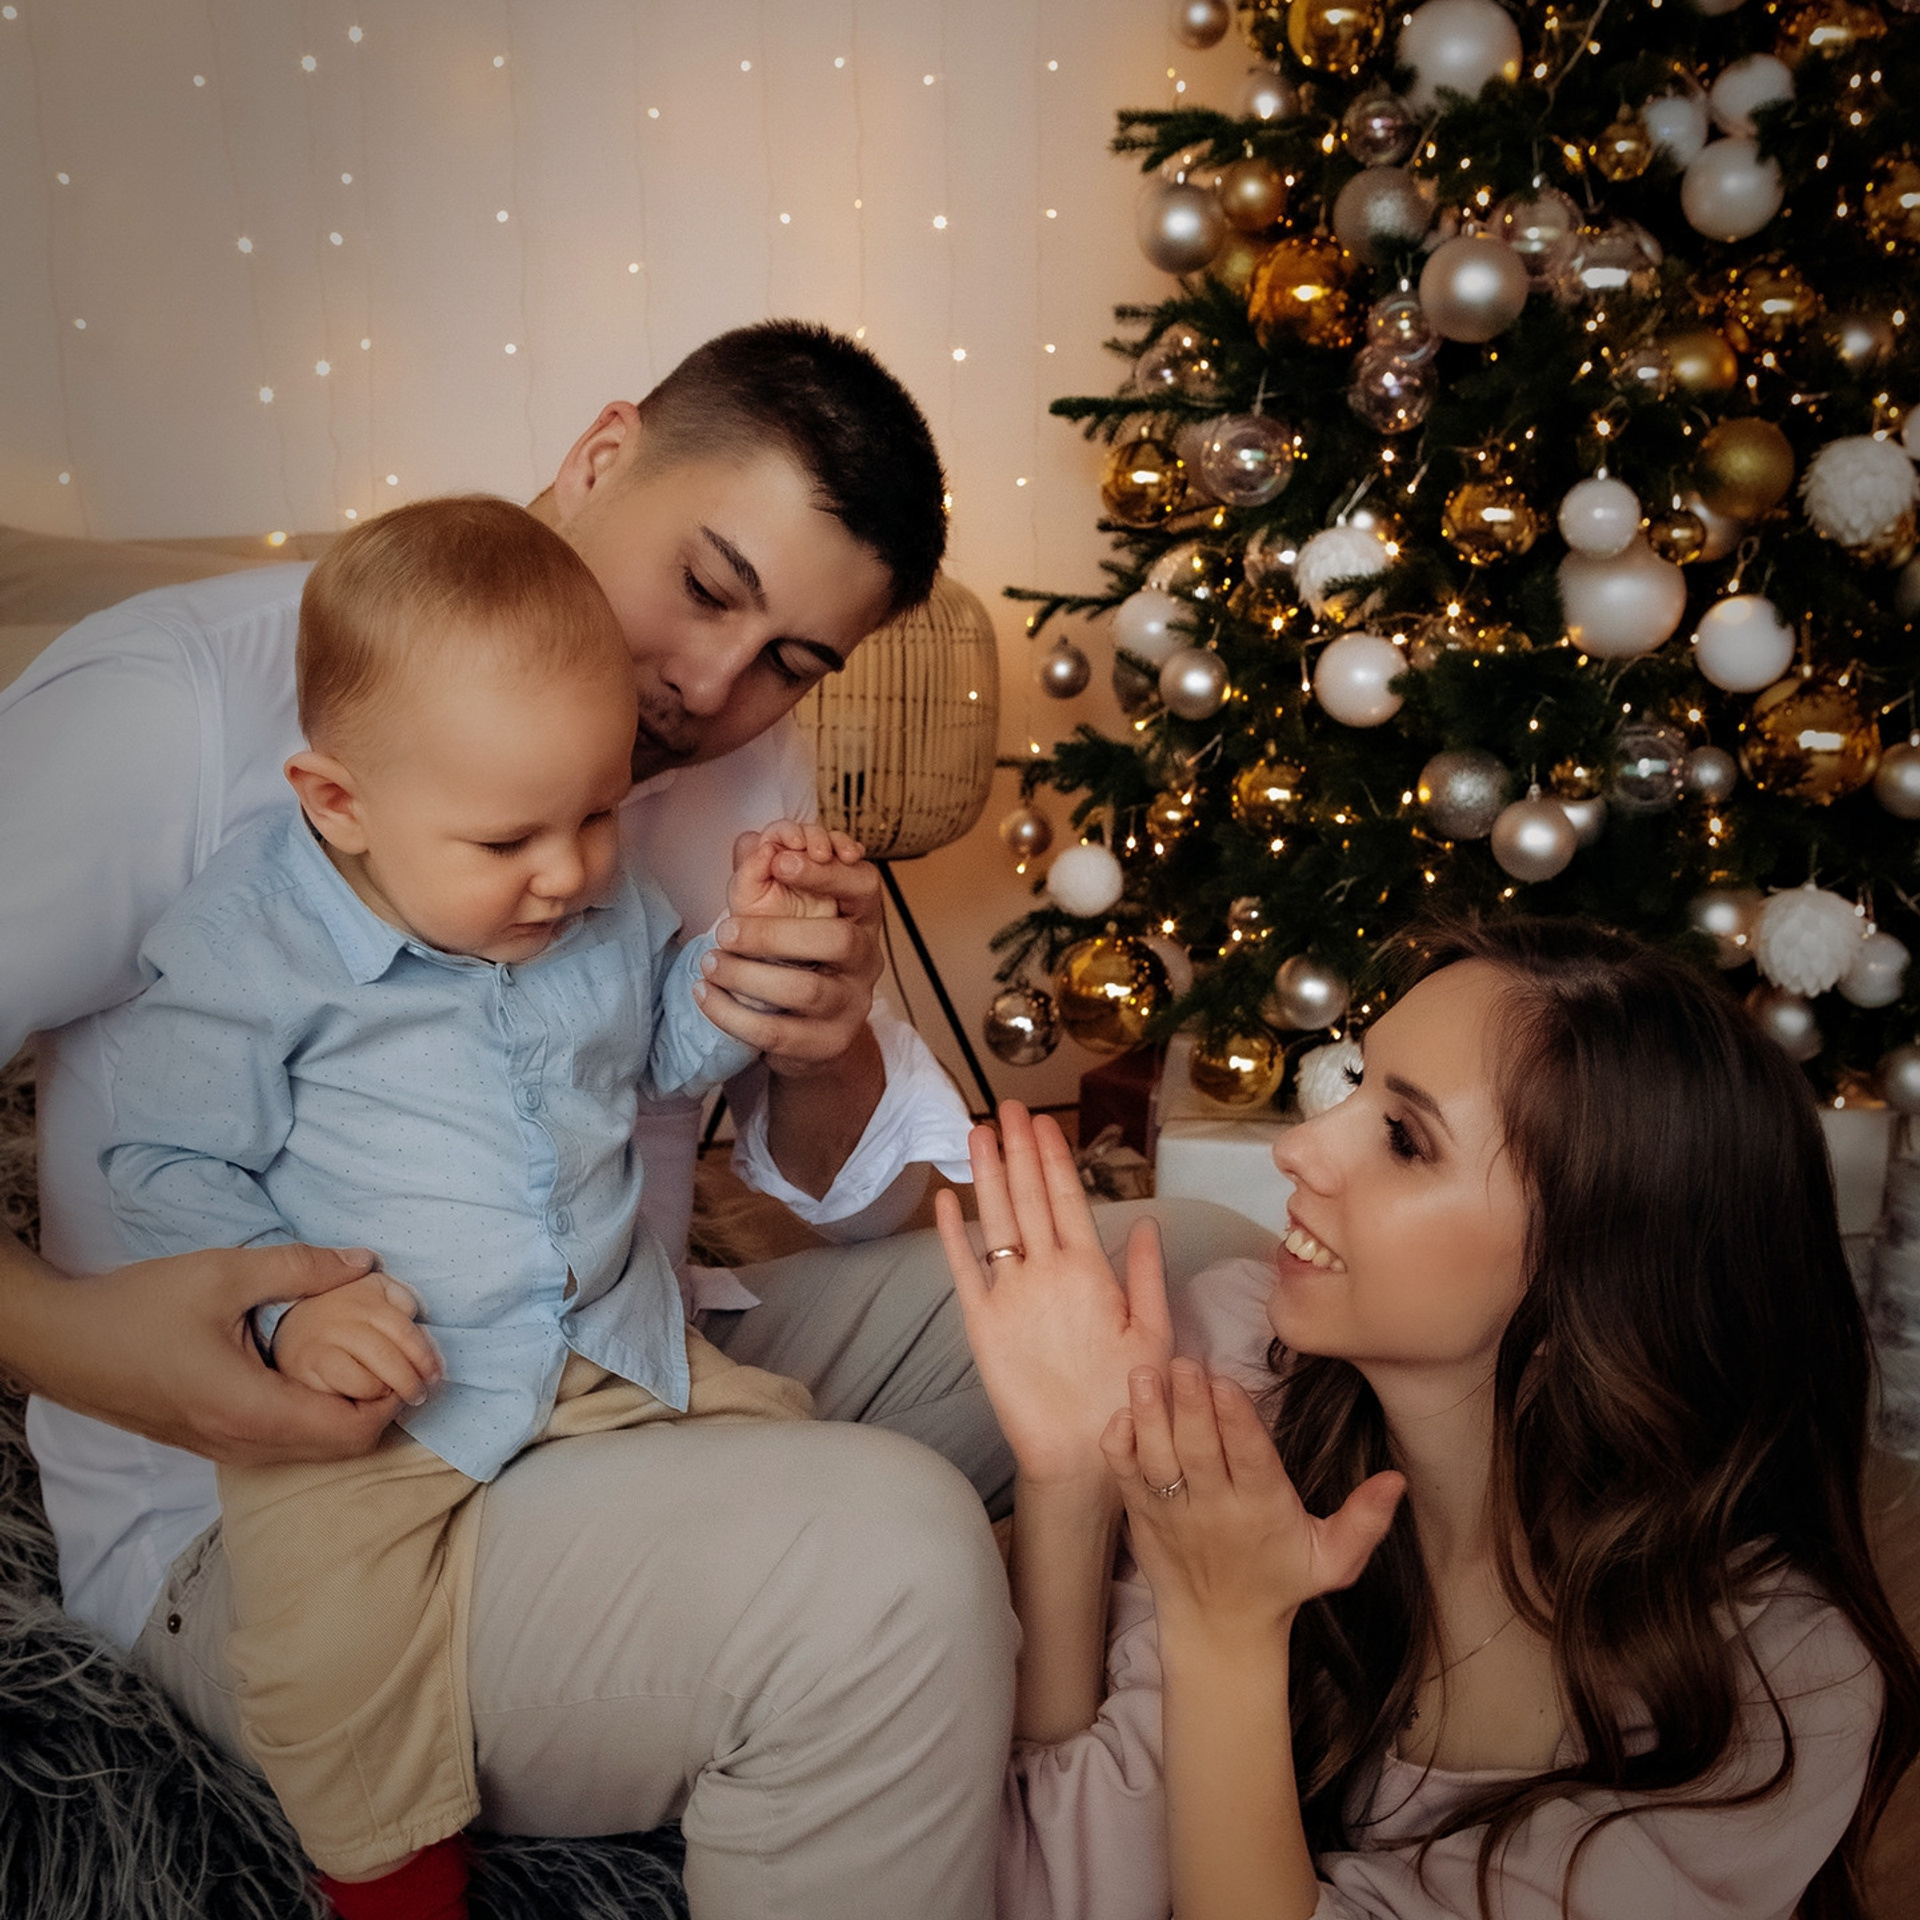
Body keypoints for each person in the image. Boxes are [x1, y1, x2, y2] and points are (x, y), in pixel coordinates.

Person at [0, 322, 1023, 1919]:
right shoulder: (178, 711)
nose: (710, 686)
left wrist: (810, 1038)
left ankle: (1099, 1754)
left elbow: (817, 1161)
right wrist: (68, 1336)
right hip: (299, 1478)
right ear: (605, 452)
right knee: (890, 1563)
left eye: (793, 664)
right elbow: (178, 1149)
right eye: (705, 586)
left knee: (1185, 1282)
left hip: (611, 1354)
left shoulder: (710, 776)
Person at [102, 496, 845, 1917]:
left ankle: (767, 1751)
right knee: (323, 1654)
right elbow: (167, 1168)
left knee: (808, 1463)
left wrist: (737, 977)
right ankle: (398, 1888)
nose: (567, 873)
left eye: (595, 813)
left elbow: (659, 1064)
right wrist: (289, 1311)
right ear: (340, 804)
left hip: (607, 1351)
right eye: (510, 840)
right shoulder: (246, 939)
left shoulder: (594, 907)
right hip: (378, 1407)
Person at [943, 920, 1920, 1920]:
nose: (1297, 1148)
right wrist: (1069, 1477)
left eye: (1404, 1139)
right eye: (1358, 1085)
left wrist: (1229, 1634)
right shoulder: (1240, 1370)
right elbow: (1048, 1890)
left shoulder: (1776, 1686)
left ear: (1599, 1278)